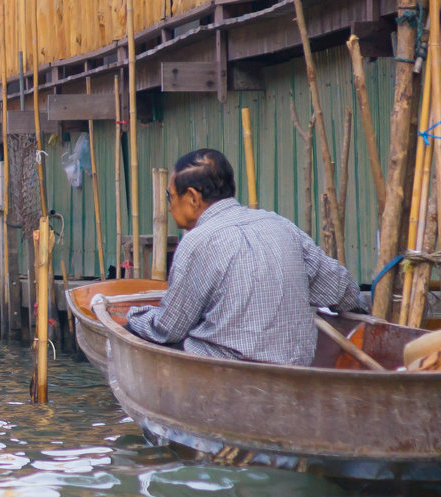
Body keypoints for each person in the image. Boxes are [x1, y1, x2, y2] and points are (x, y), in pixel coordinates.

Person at [125, 148, 362, 366]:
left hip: (227, 371)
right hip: (295, 369)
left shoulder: (197, 242)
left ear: (193, 197)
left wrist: (133, 319)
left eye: (170, 197)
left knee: (152, 337)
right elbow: (345, 292)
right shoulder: (281, 225)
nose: (169, 206)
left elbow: (168, 330)